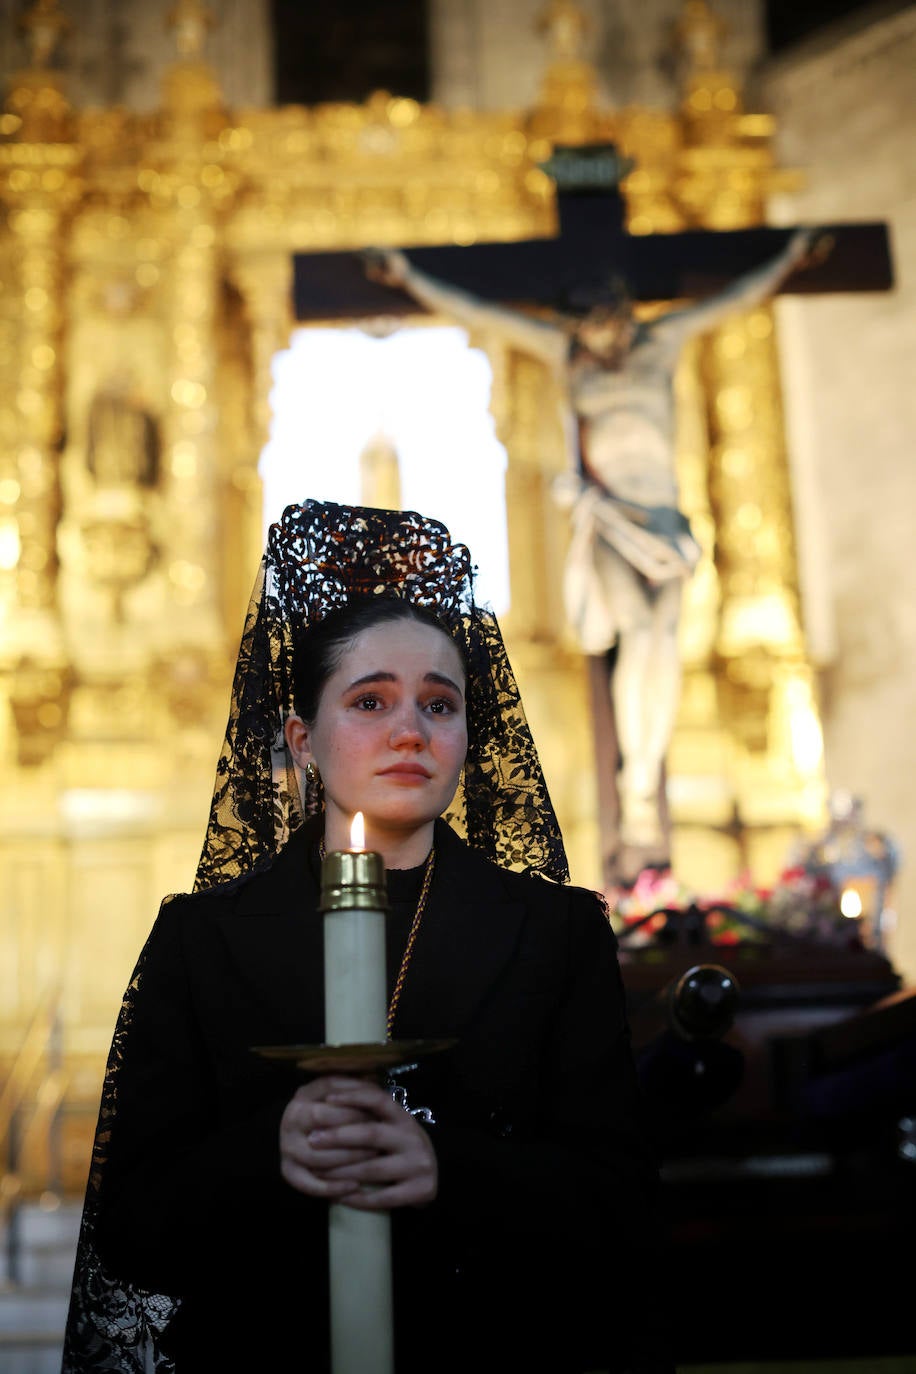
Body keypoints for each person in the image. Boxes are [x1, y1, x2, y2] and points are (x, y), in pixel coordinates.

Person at [63, 499, 674, 1374]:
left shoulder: (556, 932)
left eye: (440, 704)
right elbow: (129, 1229)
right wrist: (268, 1152)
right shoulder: (202, 939)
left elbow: (619, 1206)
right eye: (371, 700)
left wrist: (445, 1169)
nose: (410, 731)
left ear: (469, 736)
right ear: (302, 739)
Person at [365, 230, 821, 877]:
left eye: (605, 323)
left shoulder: (659, 345)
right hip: (607, 521)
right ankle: (636, 792)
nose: (597, 339)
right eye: (584, 326)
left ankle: (643, 764)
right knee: (636, 630)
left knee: (660, 639)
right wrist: (411, 277)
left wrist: (790, 258)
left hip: (663, 524)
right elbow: (484, 315)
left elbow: (735, 299)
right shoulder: (567, 355)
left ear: (623, 313)